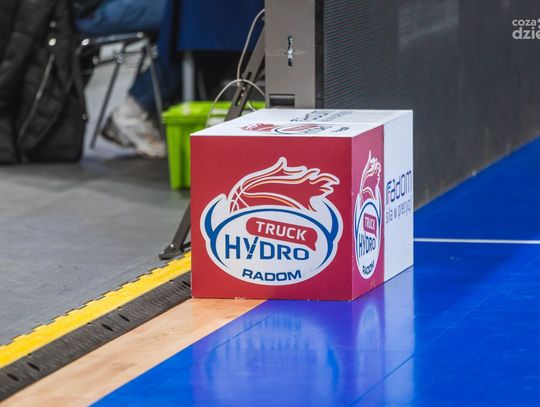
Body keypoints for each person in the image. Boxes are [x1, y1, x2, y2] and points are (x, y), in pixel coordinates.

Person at [74, 0, 171, 158]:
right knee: (186, 17)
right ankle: (133, 113)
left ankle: (154, 111)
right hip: (91, 11)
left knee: (194, 16)